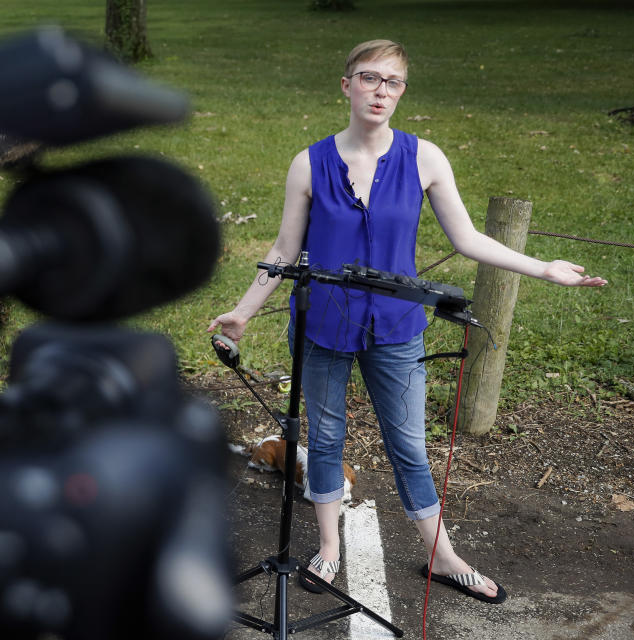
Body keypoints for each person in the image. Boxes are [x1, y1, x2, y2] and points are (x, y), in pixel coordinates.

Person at [207, 40, 606, 604]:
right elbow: (283, 247)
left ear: (401, 93)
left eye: (393, 83)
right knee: (323, 440)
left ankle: (441, 556)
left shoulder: (425, 158)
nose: (381, 91)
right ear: (346, 85)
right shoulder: (309, 162)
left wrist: (543, 268)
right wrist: (245, 311)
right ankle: (328, 549)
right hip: (322, 326)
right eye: (369, 78)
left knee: (410, 447)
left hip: (396, 329)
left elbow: (466, 239)